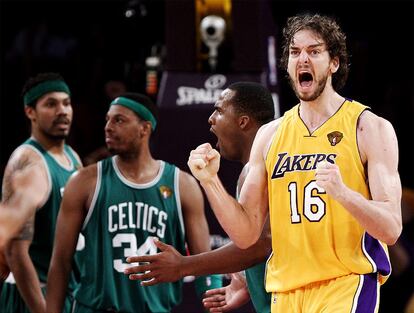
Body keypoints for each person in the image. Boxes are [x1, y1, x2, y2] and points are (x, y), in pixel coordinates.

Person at [188, 13, 402, 312]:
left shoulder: (368, 127)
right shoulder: (270, 135)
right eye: (295, 52)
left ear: (334, 63)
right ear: (287, 64)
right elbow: (247, 233)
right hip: (286, 291)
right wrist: (209, 180)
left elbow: (391, 228)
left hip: (345, 283)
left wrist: (343, 194)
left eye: (314, 51)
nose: (303, 59)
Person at [46, 92, 221, 313]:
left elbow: (204, 264)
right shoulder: (84, 182)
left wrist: (215, 306)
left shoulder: (182, 185)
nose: (108, 127)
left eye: (119, 120)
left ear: (144, 128)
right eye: (107, 120)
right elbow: (60, 263)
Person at [124, 82, 275, 313]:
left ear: (243, 121)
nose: (211, 119)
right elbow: (267, 246)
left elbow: (259, 246)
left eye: (220, 111)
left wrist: (183, 265)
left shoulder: (266, 166)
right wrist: (248, 279)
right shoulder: (252, 170)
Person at [0, 72, 82, 313]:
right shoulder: (27, 159)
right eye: (51, 104)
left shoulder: (72, 157)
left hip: (66, 292)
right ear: (30, 112)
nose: (62, 111)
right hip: (34, 295)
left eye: (66, 103)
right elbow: (15, 250)